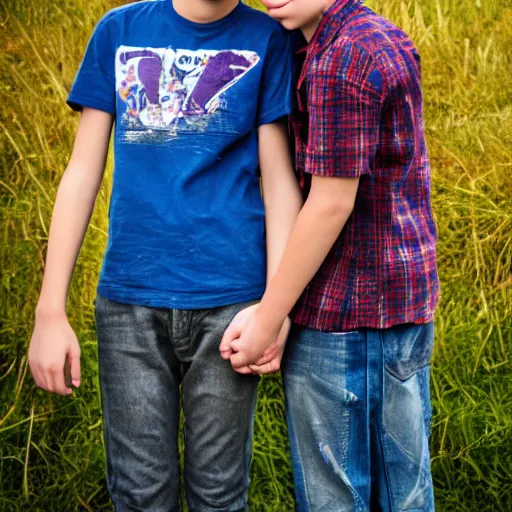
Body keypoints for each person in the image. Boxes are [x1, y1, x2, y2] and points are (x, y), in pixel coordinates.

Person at [27, 0, 302, 510]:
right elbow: (81, 173)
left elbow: (280, 185)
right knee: (139, 494)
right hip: (130, 303)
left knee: (219, 495)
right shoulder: (120, 30)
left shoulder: (268, 38)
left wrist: (275, 308)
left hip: (232, 307)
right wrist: (50, 310)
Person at [220, 0, 440, 510]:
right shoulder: (374, 35)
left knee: (334, 499)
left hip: (347, 314)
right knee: (405, 490)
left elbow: (331, 202)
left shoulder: (342, 57)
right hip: (399, 301)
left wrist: (268, 320)